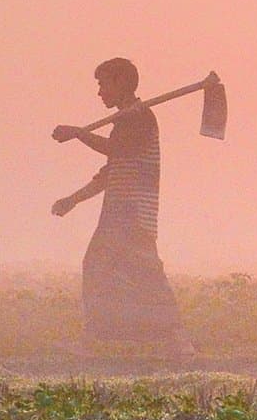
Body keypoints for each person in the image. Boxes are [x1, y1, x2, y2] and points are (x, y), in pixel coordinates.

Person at [51, 58, 194, 359]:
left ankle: (173, 340)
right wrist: (73, 200)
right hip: (118, 213)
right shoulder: (127, 119)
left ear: (121, 83)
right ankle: (114, 339)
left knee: (135, 273)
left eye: (104, 84)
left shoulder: (139, 118)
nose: (100, 92)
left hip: (132, 213)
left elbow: (116, 151)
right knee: (115, 272)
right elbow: (111, 171)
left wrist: (79, 133)